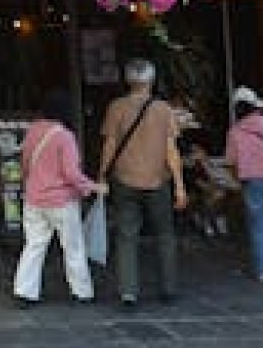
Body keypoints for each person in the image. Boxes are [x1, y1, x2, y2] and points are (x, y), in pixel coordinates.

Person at [99, 58, 187, 308]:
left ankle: (128, 291)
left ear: (128, 80)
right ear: (151, 80)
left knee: (126, 236)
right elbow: (171, 149)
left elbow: (110, 145)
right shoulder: (163, 109)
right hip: (158, 180)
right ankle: (168, 288)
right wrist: (180, 185)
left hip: (124, 179)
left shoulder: (116, 107)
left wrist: (102, 175)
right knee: (165, 235)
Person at [13, 90, 108, 306]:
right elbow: (71, 173)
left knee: (34, 245)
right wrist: (92, 187)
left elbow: (25, 165)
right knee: (73, 247)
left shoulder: (33, 131)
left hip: (34, 199)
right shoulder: (65, 136)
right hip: (61, 201)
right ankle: (81, 292)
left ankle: (24, 291)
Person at [225, 86, 263, 282]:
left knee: (258, 226)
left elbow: (231, 162)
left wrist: (238, 179)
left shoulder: (234, 132)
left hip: (252, 180)